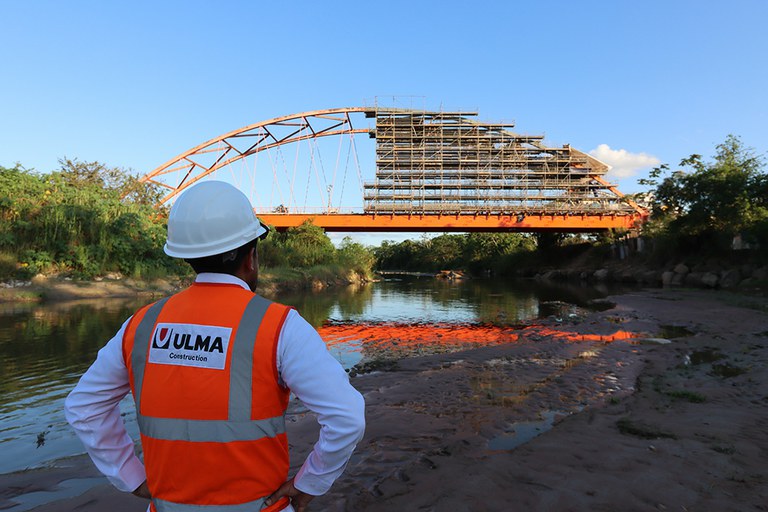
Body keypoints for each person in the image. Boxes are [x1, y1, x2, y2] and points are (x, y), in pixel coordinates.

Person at [65, 181, 366, 512]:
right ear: (251, 257)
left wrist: (131, 476)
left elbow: (84, 406)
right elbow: (347, 417)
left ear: (186, 257)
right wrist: (311, 482)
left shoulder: (141, 324)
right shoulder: (280, 325)